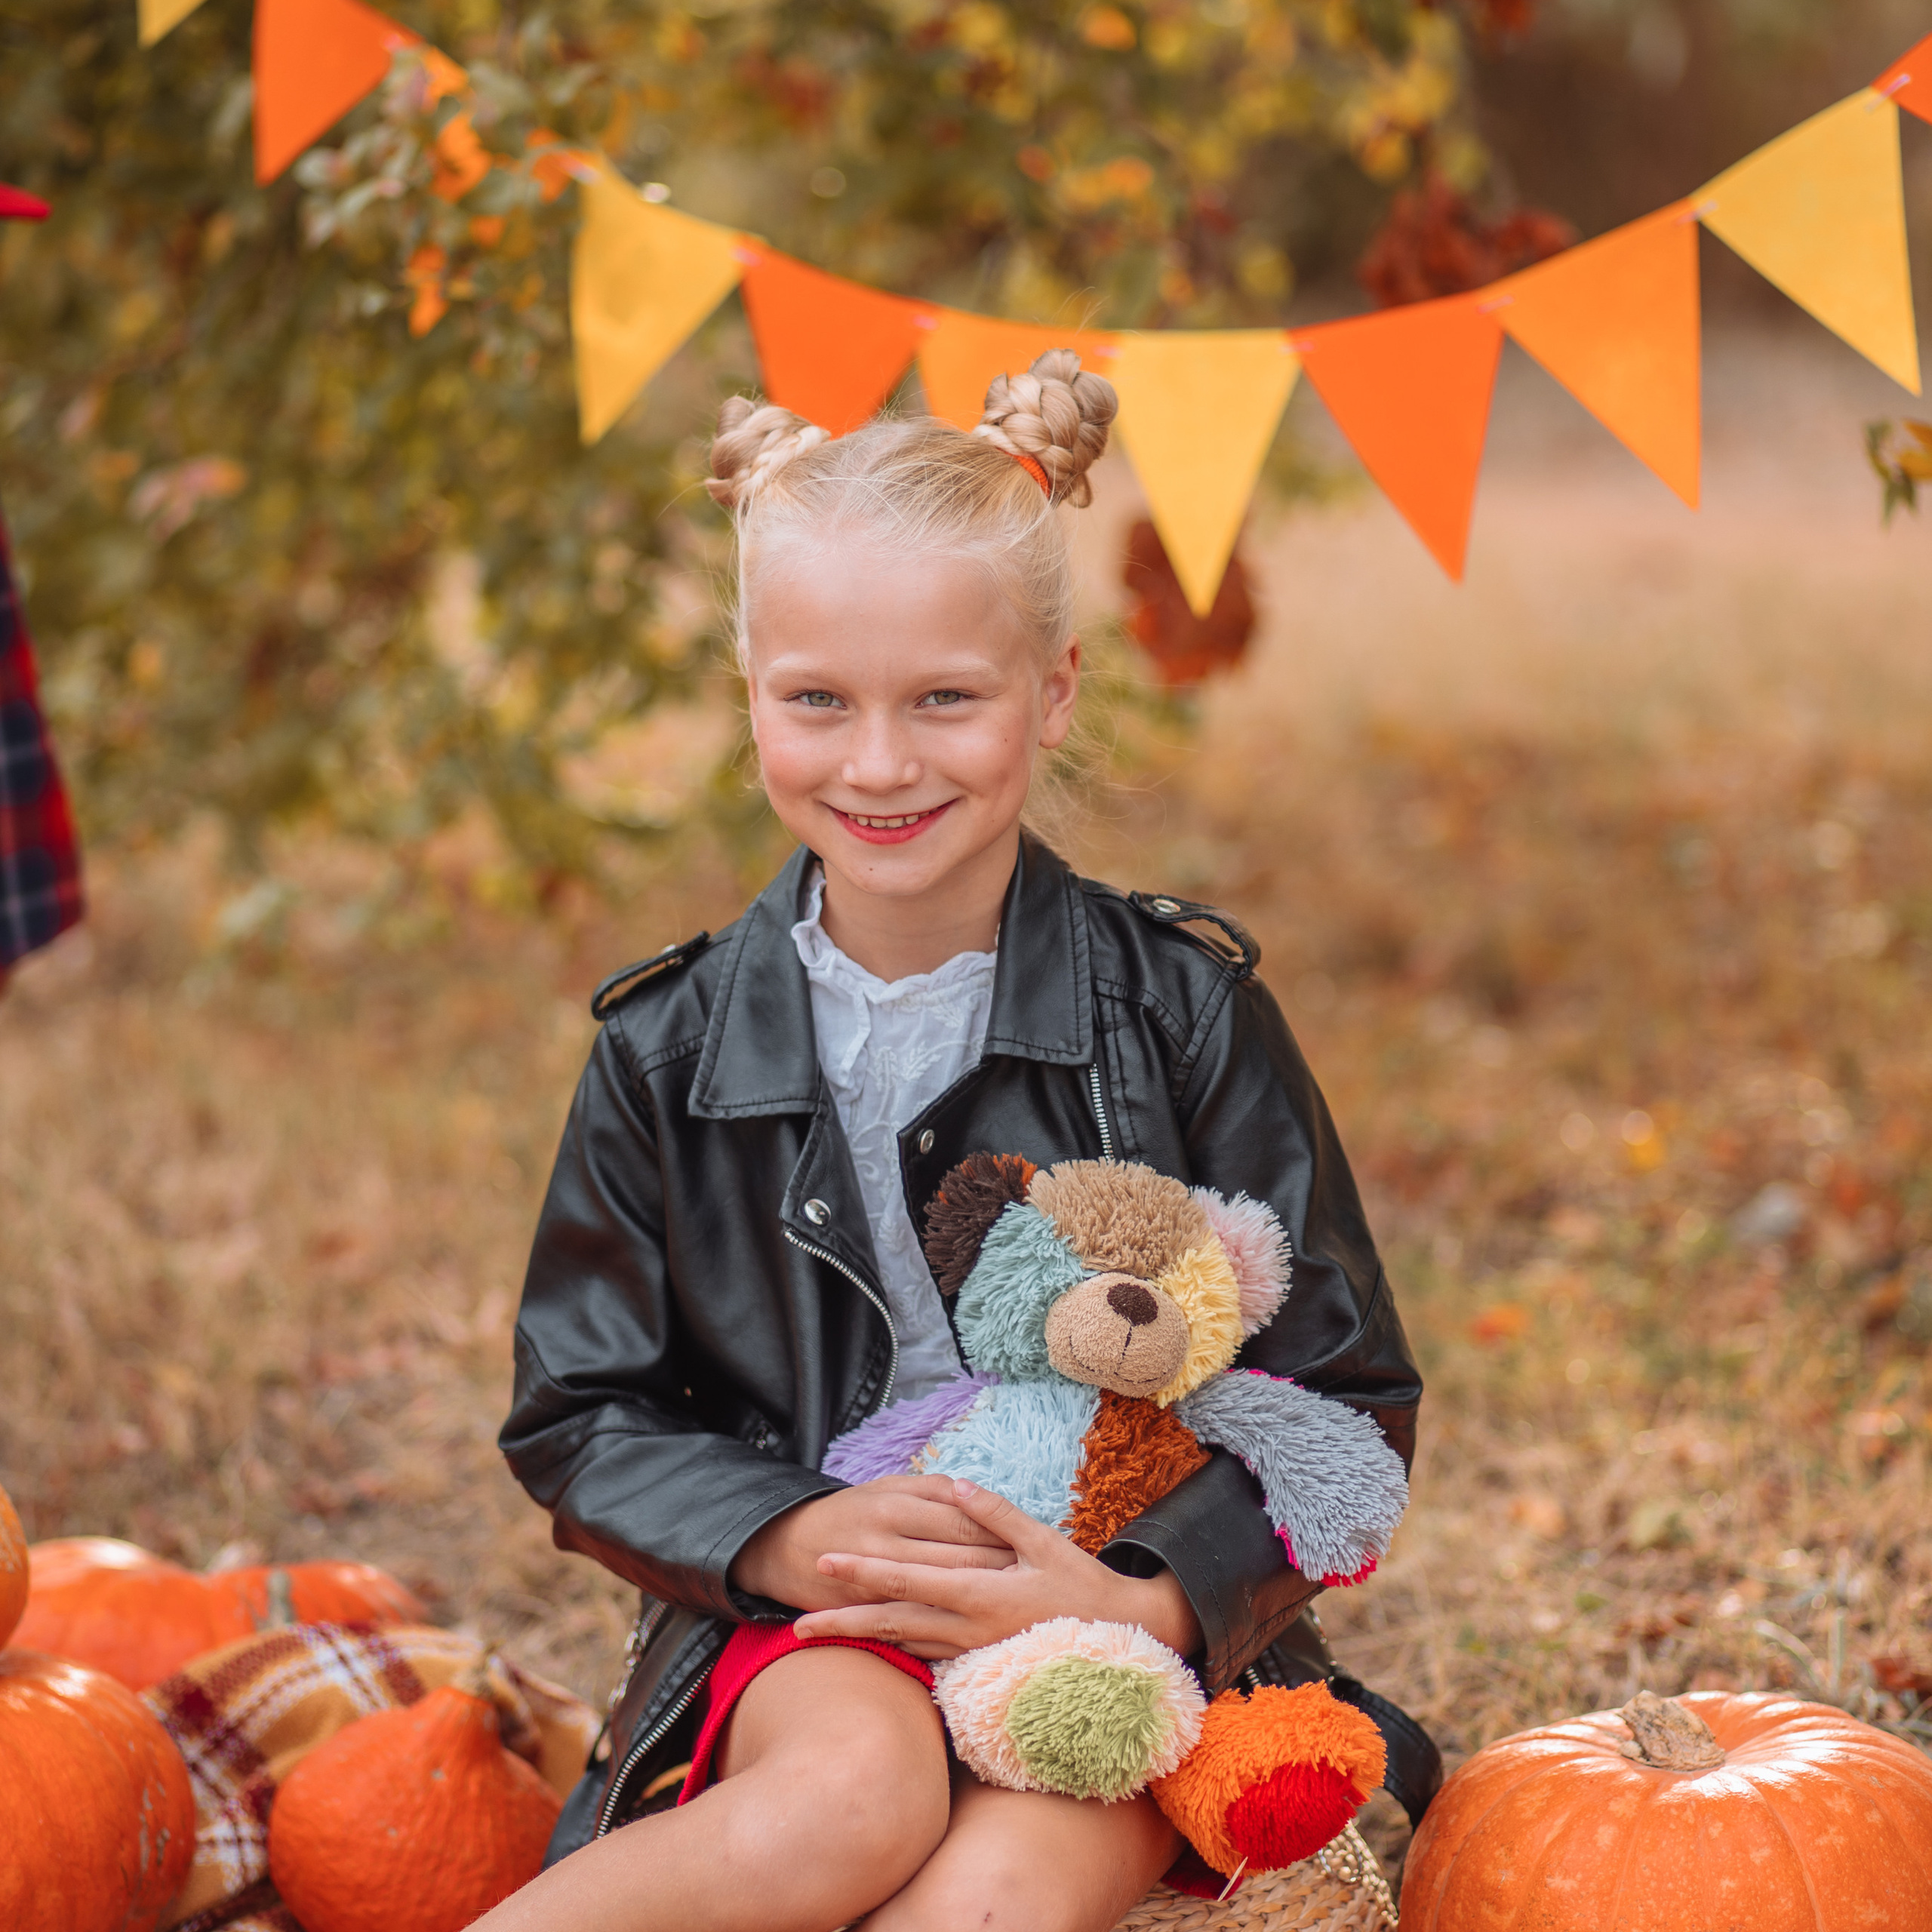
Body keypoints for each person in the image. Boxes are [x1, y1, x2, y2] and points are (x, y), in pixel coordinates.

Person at [481, 350, 1423, 1932]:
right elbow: (579, 1412)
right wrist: (783, 1527)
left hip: (1109, 1634)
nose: (877, 761)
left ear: (1048, 691)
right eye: (816, 701)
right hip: (821, 1607)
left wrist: (1137, 1585)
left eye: (944, 697)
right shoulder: (667, 1050)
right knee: (854, 1797)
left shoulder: (1179, 1013)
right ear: (751, 697)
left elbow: (1344, 1395)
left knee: (995, 1886)